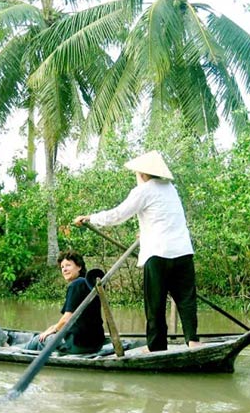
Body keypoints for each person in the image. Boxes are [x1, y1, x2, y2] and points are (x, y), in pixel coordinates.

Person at [74, 150, 201, 352]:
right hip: (183, 251)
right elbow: (164, 218)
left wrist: (90, 218)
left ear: (142, 174)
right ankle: (193, 341)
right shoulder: (170, 188)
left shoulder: (143, 191)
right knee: (186, 299)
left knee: (155, 303)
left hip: (158, 254)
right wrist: (145, 233)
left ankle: (156, 347)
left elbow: (117, 215)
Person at [24, 250, 105, 354]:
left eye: (68, 265)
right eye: (62, 267)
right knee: (48, 333)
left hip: (78, 344)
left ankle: (16, 352)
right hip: (96, 343)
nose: (64, 270)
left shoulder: (76, 285)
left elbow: (67, 319)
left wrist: (54, 330)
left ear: (79, 266)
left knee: (40, 339)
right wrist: (54, 327)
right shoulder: (89, 285)